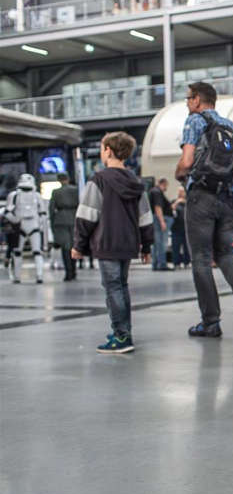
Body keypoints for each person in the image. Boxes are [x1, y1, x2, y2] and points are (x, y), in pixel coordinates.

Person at [175, 81, 233, 337]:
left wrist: (179, 174)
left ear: (198, 100)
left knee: (201, 258)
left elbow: (187, 160)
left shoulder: (195, 121)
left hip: (201, 197)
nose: (188, 103)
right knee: (224, 254)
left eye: (189, 98)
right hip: (229, 201)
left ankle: (211, 322)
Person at [72, 132, 154, 353]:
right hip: (128, 244)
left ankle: (121, 337)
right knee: (122, 287)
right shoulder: (136, 182)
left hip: (106, 243)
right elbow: (145, 218)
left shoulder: (99, 179)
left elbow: (87, 215)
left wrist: (78, 245)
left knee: (113, 289)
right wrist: (147, 246)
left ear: (108, 150)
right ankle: (123, 331)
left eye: (101, 148)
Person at [5, 174, 47, 284]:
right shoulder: (15, 195)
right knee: (18, 252)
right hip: (23, 225)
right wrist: (16, 220)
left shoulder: (36, 196)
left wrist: (38, 222)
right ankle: (19, 276)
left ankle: (38, 275)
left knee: (36, 252)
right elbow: (7, 212)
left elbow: (43, 212)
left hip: (31, 224)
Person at [49, 173, 80, 281]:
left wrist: (53, 223)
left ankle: (68, 273)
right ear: (68, 179)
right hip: (74, 218)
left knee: (65, 247)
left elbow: (51, 209)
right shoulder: (75, 190)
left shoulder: (55, 192)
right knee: (74, 246)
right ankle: (74, 271)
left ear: (59, 180)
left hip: (61, 220)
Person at [149, 177, 174, 271]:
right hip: (160, 219)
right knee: (161, 243)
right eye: (166, 186)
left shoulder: (154, 191)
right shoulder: (157, 192)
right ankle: (161, 264)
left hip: (157, 219)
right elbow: (158, 207)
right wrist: (162, 221)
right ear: (163, 184)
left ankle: (156, 264)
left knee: (157, 243)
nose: (166, 188)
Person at [170, 186, 190, 268]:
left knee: (187, 247)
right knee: (176, 247)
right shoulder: (174, 201)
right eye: (179, 191)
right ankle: (176, 263)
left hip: (186, 228)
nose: (181, 193)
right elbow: (171, 208)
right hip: (176, 228)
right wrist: (178, 202)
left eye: (182, 191)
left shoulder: (188, 202)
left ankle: (187, 262)